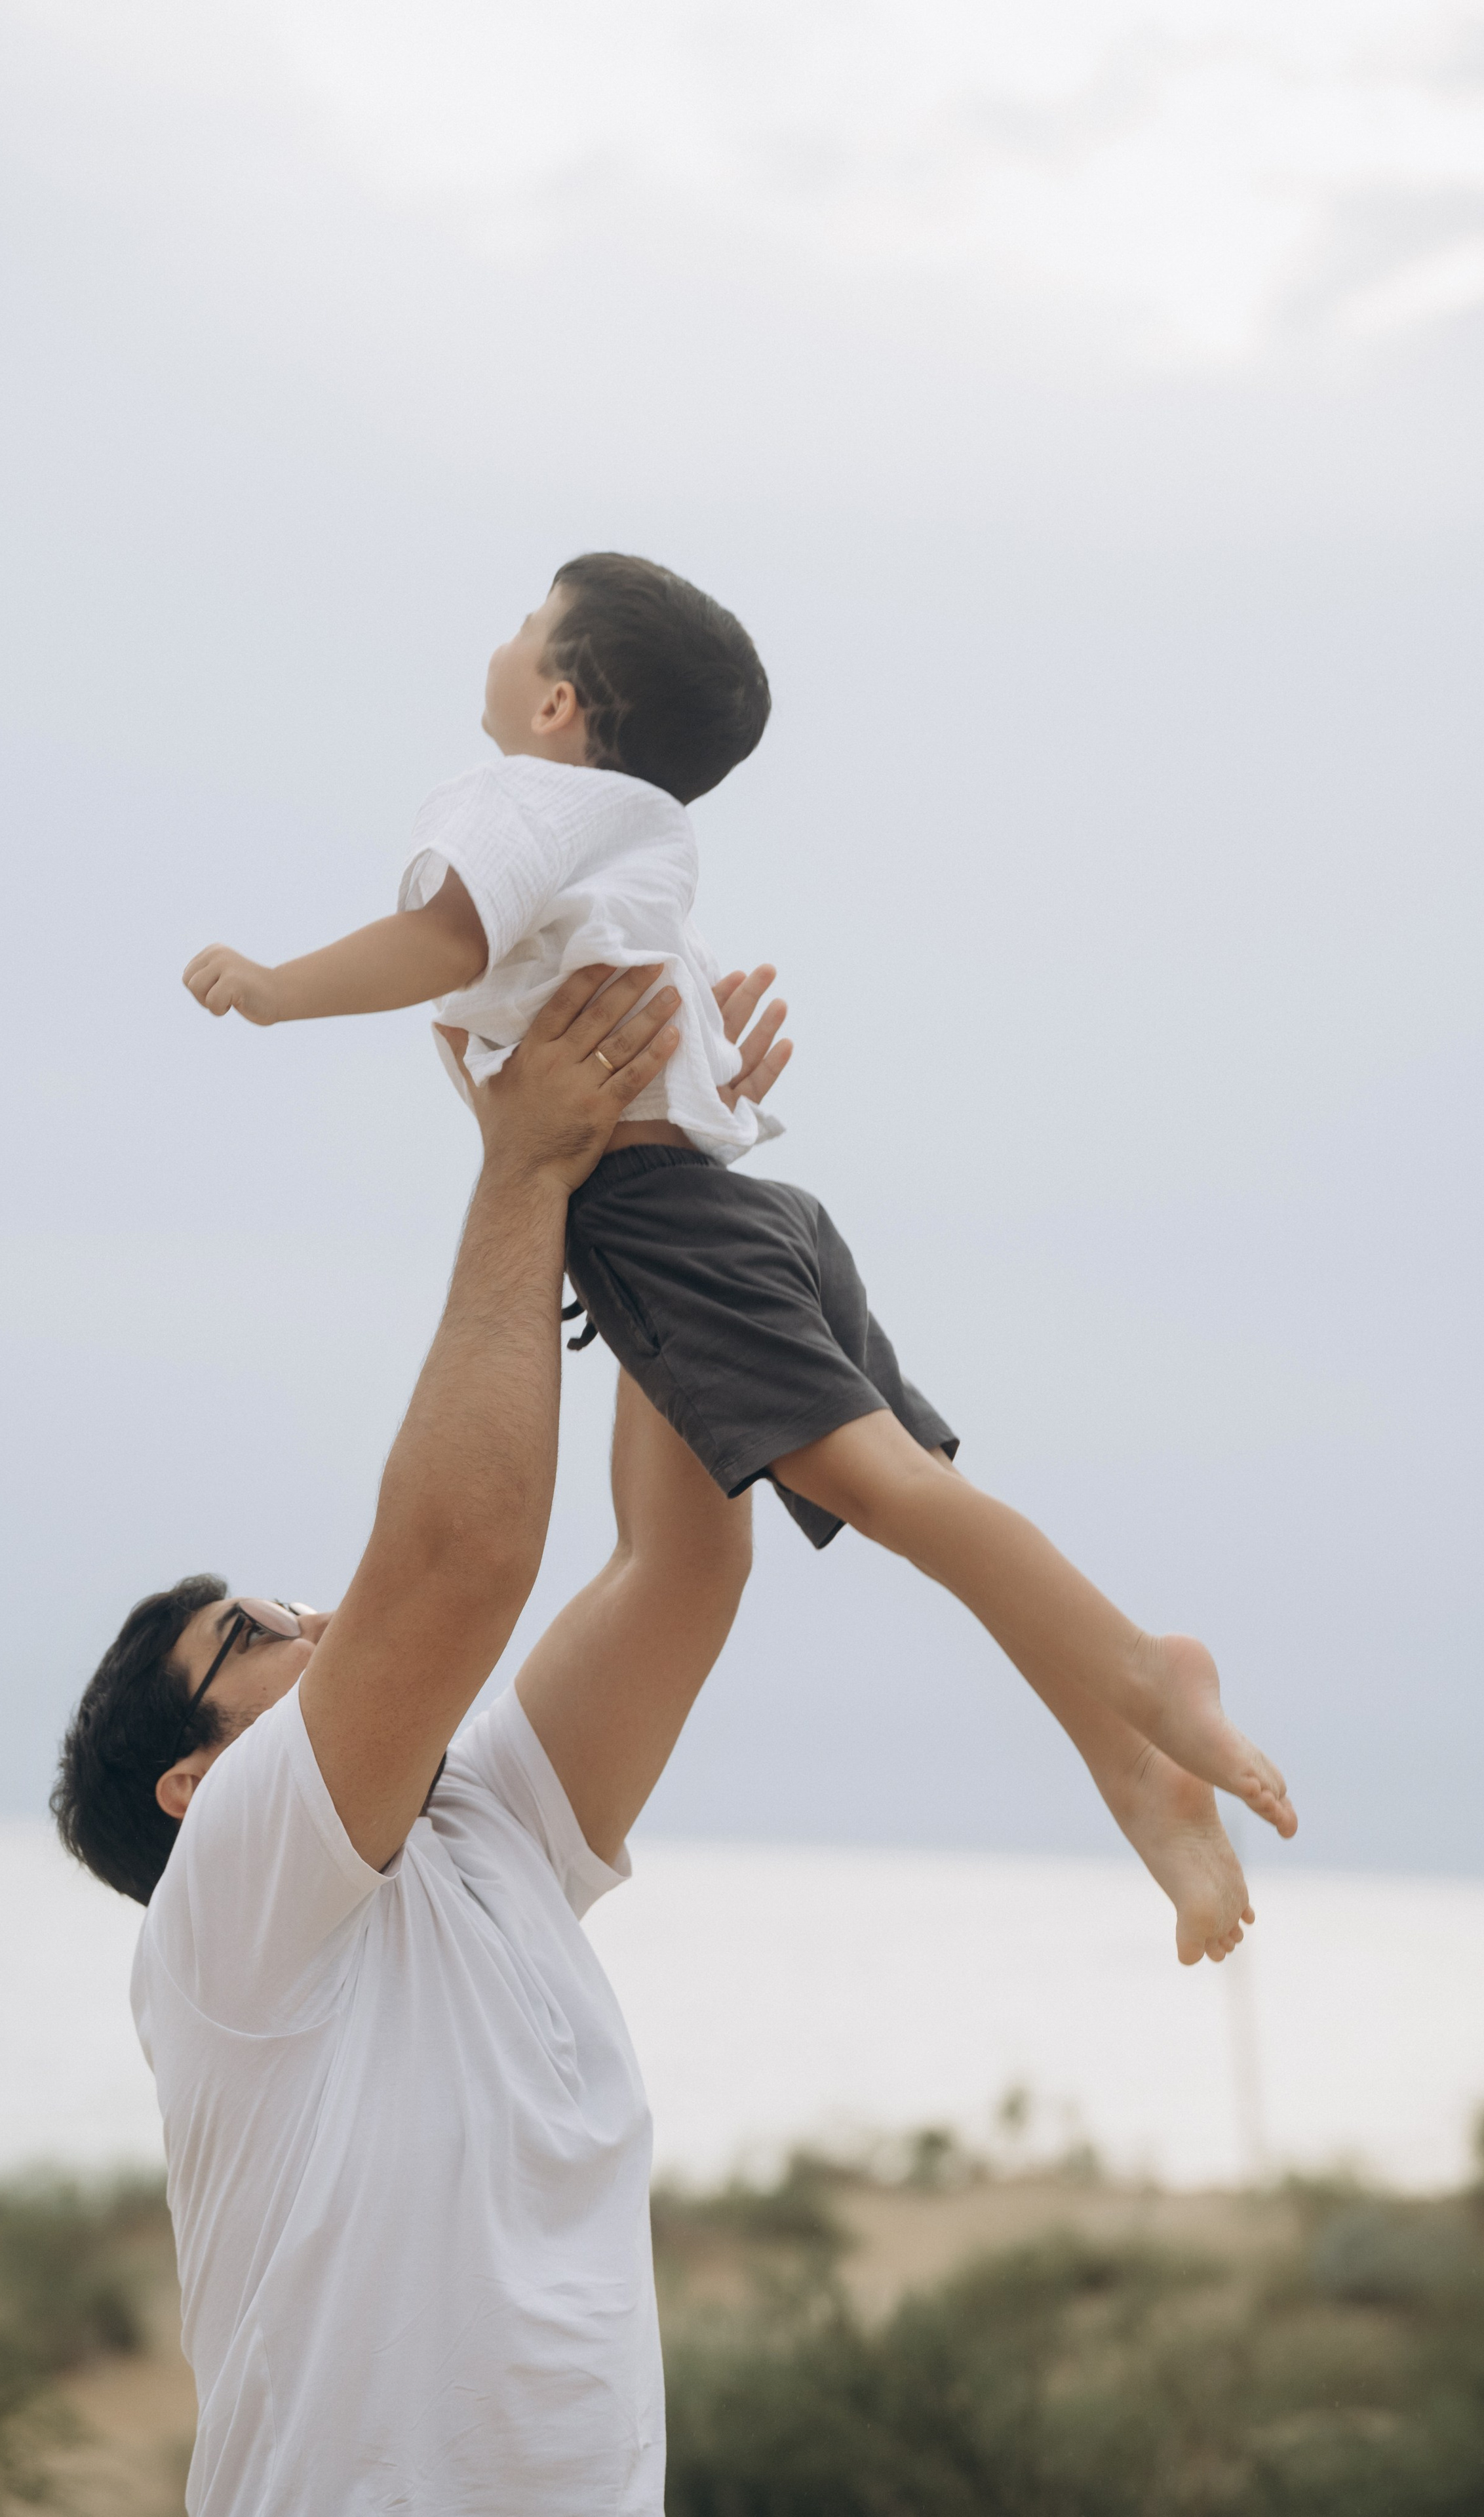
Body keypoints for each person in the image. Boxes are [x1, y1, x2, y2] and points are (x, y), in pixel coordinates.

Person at [182, 551, 1290, 1968]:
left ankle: (1143, 1674)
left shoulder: (517, 805)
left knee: (895, 1499)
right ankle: (1131, 1760)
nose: (506, 641)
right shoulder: (637, 837)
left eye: (525, 625)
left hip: (663, 1219)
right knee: (928, 1503)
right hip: (747, 1208)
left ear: (557, 706)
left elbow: (441, 936)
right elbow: (672, 1044)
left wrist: (278, 992)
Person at [52, 962, 786, 2513]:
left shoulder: (485, 1835)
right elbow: (454, 1571)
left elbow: (682, 1561)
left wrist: (655, 1163)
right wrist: (522, 1163)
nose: (321, 1632)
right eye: (258, 1640)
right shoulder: (228, 1910)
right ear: (191, 1783)